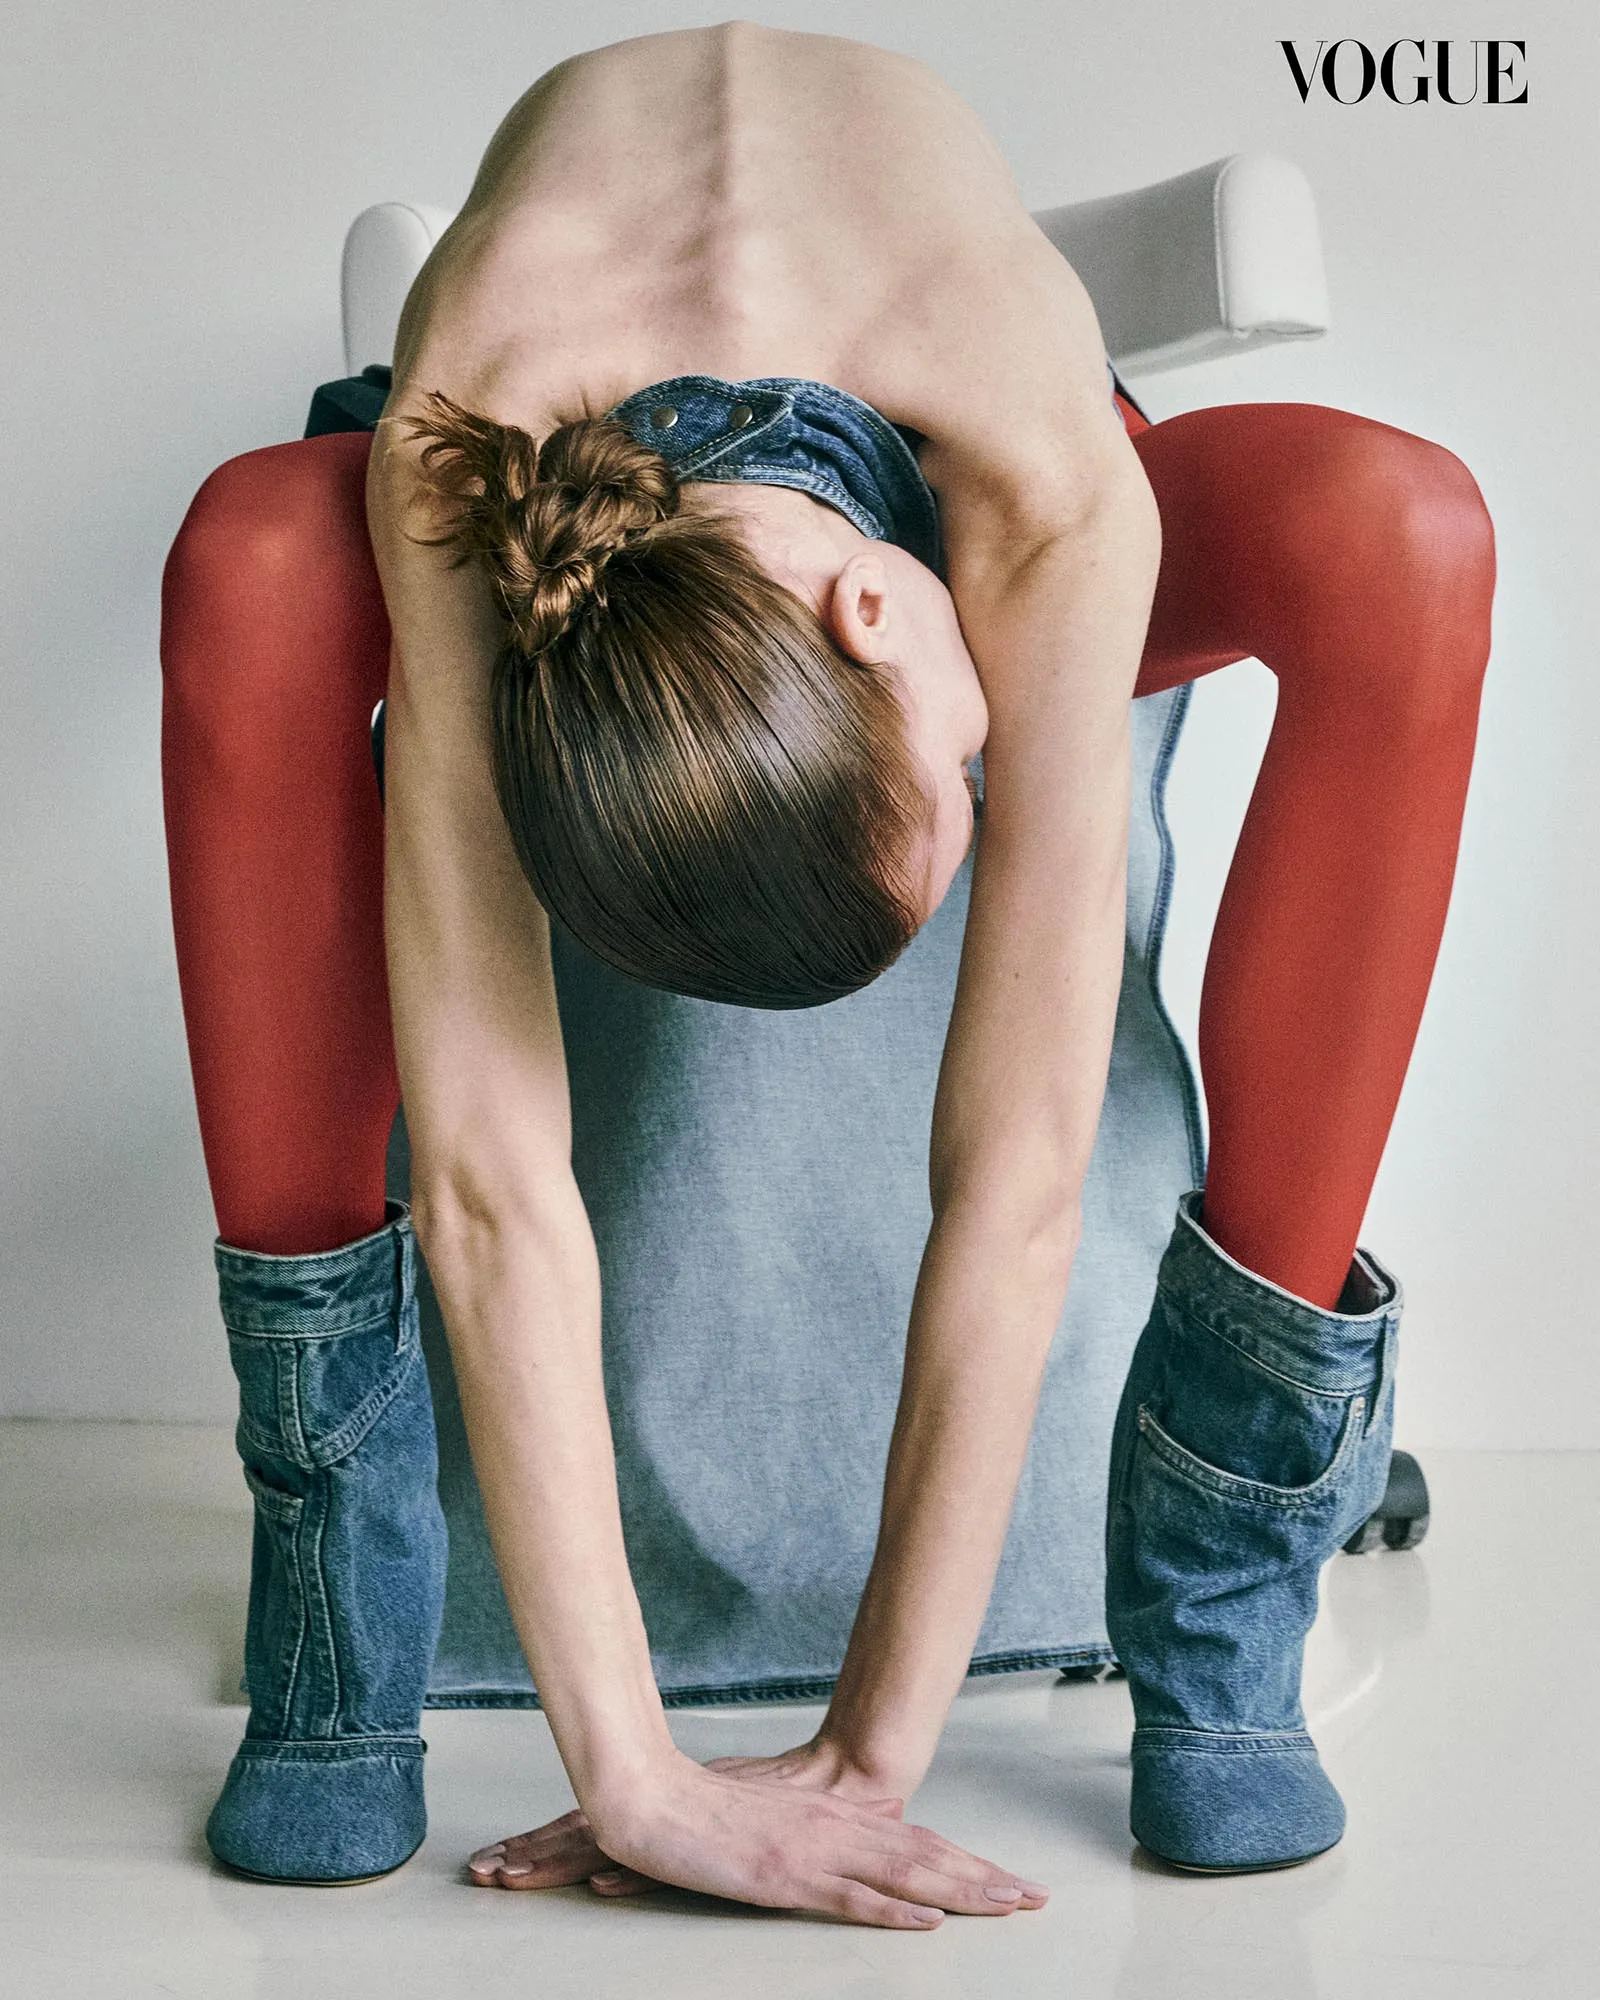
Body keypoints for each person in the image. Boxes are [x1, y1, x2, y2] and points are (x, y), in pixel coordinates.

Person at [160, 24, 1494, 1914]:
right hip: (620, 487)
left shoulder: (1037, 484)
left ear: (884, 611)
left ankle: (1232, 1567)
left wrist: (874, 1751)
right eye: (970, 780)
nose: (990, 770)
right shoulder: (477, 482)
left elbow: (1019, 1175)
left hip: (954, 407)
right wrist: (637, 1781)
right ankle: (333, 1607)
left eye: (963, 783)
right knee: (248, 555)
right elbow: (488, 1177)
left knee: (1407, 531)